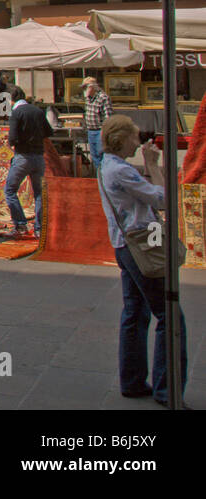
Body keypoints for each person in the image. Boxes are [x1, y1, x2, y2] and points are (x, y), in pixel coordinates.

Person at [98, 115, 188, 405]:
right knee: (169, 315)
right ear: (122, 139)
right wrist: (153, 164)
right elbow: (163, 198)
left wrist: (148, 168)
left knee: (135, 312)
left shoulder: (111, 167)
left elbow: (145, 194)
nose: (138, 141)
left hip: (125, 243)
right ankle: (166, 388)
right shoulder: (121, 171)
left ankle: (133, 380)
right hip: (140, 244)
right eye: (134, 136)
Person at [4, 86, 52, 238]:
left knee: (10, 190)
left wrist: (16, 143)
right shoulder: (37, 111)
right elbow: (48, 131)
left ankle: (20, 224)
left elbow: (12, 138)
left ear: (12, 99)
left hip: (23, 156)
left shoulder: (16, 112)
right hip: (38, 157)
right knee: (38, 192)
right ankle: (39, 228)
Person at [83, 76, 113, 177]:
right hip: (91, 130)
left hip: (100, 130)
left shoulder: (103, 97)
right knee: (94, 156)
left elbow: (107, 116)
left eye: (85, 87)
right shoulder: (88, 98)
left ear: (92, 87)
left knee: (102, 155)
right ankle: (99, 177)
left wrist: (105, 132)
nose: (84, 90)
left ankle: (104, 178)